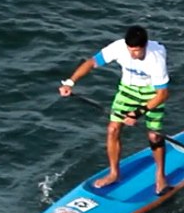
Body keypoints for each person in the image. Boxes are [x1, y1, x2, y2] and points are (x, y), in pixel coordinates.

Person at [57, 25, 172, 194]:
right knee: (112, 129)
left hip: (152, 93)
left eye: (137, 51)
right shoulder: (118, 47)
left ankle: (161, 176)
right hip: (127, 90)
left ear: (145, 46)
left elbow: (162, 94)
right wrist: (70, 82)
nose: (133, 55)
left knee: (154, 136)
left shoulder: (156, 57)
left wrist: (137, 113)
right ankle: (114, 173)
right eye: (130, 50)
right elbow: (91, 62)